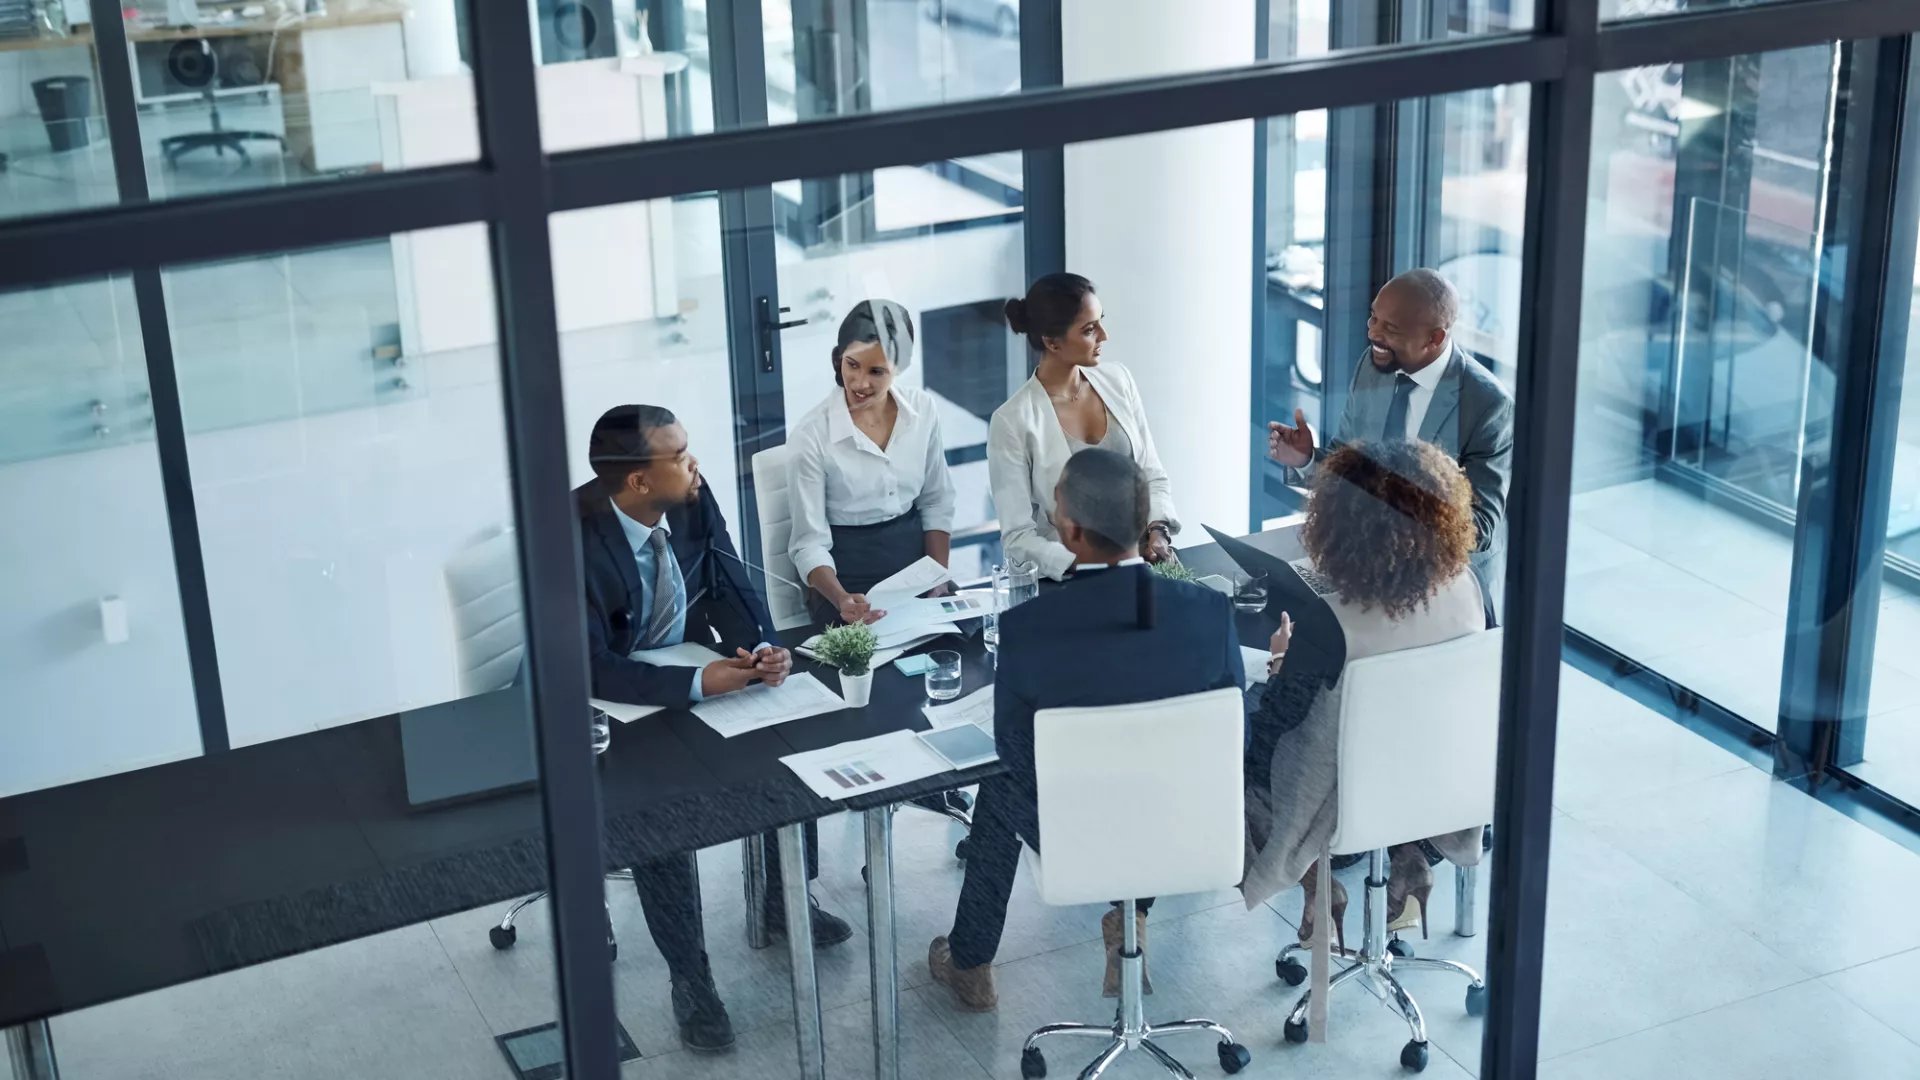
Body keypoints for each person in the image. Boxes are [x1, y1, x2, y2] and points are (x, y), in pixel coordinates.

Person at [576, 404, 852, 1054]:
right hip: (609, 696)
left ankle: (785, 897)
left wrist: (763, 649)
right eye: (678, 454)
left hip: (687, 657)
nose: (694, 463)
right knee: (663, 813)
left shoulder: (690, 493)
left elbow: (732, 574)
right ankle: (691, 977)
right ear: (639, 482)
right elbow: (585, 665)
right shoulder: (569, 537)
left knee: (783, 745)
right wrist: (698, 684)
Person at [926, 448, 1244, 1011]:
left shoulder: (1030, 628)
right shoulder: (1209, 611)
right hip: (1187, 830)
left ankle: (971, 963)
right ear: (1145, 524)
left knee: (999, 785)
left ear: (1069, 531)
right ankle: (1133, 912)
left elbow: (1013, 754)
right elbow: (1231, 740)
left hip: (1078, 842)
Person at [1239, 440, 1487, 962]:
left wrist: (1279, 666)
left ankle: (1317, 886)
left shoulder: (1332, 625)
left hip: (1345, 813)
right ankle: (1408, 860)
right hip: (1439, 790)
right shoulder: (1470, 587)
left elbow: (1273, 735)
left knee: (1236, 761)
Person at [1266, 268, 1513, 625]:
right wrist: (1306, 459)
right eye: (1373, 317)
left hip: (1446, 593)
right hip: (1370, 575)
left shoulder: (1487, 405)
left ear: (1435, 337)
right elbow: (1348, 469)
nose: (1373, 333)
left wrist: (1389, 513)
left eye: (1390, 328)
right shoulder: (1372, 366)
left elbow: (1478, 529)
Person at [987, 273, 1181, 581]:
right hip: (1071, 580)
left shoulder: (1119, 380)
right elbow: (1018, 538)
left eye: (1100, 321)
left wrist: (1158, 532)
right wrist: (1091, 563)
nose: (1104, 335)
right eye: (1090, 329)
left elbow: (1151, 474)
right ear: (1052, 342)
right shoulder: (1012, 421)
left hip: (1142, 567)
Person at [788, 300, 956, 625]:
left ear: (900, 368)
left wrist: (937, 575)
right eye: (852, 365)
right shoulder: (810, 436)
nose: (860, 383)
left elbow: (936, 500)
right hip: (846, 582)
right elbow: (808, 544)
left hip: (917, 568)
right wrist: (841, 600)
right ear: (839, 358)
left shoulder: (923, 410)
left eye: (876, 372)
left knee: (963, 647)